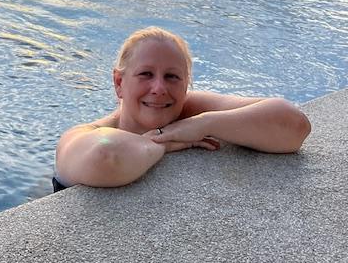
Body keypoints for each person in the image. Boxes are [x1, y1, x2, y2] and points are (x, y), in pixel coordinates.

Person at [54, 27, 311, 191]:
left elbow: (294, 125)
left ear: (186, 85)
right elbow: (106, 158)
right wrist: (164, 142)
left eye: (172, 77)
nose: (159, 88)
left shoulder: (191, 109)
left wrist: (203, 123)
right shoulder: (84, 134)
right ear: (119, 83)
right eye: (145, 74)